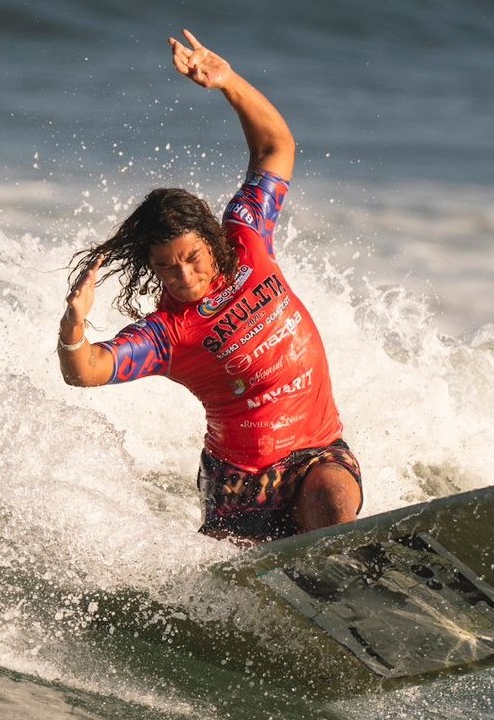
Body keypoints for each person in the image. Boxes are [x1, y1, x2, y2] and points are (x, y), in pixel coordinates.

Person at [58, 30, 361, 545]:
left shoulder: (247, 237)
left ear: (212, 241)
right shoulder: (166, 334)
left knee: (332, 500)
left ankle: (349, 578)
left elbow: (275, 146)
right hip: (242, 486)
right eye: (168, 268)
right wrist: (73, 328)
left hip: (317, 448)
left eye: (192, 258)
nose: (185, 275)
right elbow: (85, 372)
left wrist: (227, 82)